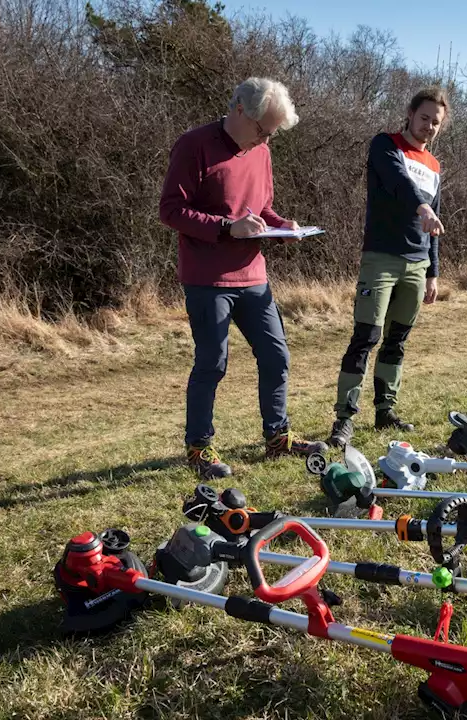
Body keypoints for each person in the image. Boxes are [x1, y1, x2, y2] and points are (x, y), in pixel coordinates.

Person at [159, 77, 327, 480]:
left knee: (276, 356)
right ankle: (199, 448)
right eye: (261, 129)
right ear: (237, 109)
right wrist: (225, 227)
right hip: (207, 277)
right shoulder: (194, 145)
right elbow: (170, 210)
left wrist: (283, 226)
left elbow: (262, 209)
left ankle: (277, 437)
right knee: (213, 363)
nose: (265, 138)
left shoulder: (262, 151)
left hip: (253, 275)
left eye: (271, 133)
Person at [328, 87, 449, 448]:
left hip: (417, 263)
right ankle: (344, 419)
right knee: (366, 337)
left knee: (397, 340)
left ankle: (386, 411)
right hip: (381, 258)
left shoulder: (435, 166)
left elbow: (435, 223)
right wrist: (422, 208)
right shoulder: (385, 144)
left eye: (436, 122)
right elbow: (398, 183)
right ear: (410, 114)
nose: (428, 126)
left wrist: (433, 271)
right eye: (424, 117)